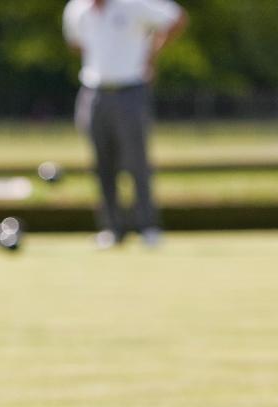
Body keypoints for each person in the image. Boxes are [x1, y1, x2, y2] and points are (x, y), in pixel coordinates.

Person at [64, 0, 187, 249]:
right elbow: (76, 44)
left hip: (130, 89)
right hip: (93, 92)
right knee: (102, 164)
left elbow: (177, 18)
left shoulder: (132, 4)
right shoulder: (76, 9)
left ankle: (148, 227)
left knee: (136, 161)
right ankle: (112, 228)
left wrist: (151, 53)